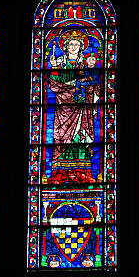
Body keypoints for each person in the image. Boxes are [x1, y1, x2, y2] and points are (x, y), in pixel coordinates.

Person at [47, 30, 99, 183]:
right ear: (66, 46)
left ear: (81, 47)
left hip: (82, 108)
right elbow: (54, 84)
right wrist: (55, 68)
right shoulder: (60, 63)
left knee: (81, 138)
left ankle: (82, 172)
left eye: (77, 44)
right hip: (63, 107)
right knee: (62, 137)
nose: (74, 47)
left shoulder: (85, 64)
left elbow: (93, 84)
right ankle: (60, 173)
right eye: (71, 44)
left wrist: (89, 88)